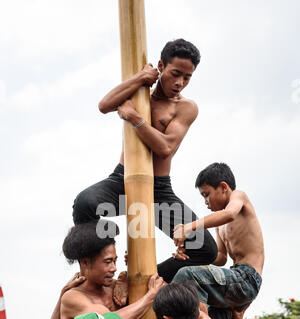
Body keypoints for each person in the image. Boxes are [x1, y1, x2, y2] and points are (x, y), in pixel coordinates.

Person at [72, 38, 218, 284]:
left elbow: (165, 148)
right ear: (161, 66)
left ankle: (139, 280)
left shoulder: (185, 108)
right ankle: (101, 271)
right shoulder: (141, 94)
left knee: (206, 250)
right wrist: (140, 78)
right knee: (84, 203)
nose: (180, 82)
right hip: (122, 181)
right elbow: (104, 105)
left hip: (158, 190)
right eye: (175, 74)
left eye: (188, 77)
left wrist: (135, 118)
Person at [171, 162, 264, 319]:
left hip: (247, 278)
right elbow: (221, 257)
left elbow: (229, 214)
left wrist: (190, 227)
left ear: (223, 187)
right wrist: (190, 257)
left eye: (207, 194)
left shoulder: (239, 197)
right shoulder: (219, 224)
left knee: (187, 276)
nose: (206, 201)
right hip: (232, 281)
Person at [60, 219, 164, 319]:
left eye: (115, 261)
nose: (114, 268)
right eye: (108, 262)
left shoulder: (118, 287)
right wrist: (150, 296)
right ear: (85, 262)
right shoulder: (72, 298)